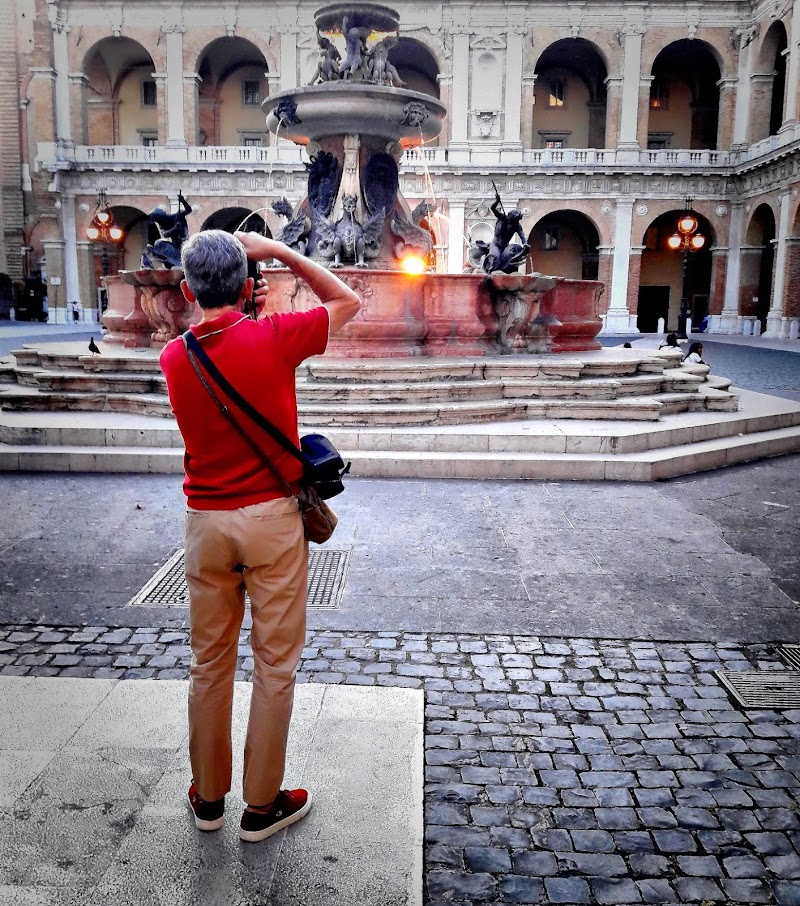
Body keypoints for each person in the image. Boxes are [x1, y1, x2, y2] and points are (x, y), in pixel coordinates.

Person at [159, 230, 361, 843]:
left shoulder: (174, 357)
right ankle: (262, 804)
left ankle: (209, 797)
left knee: (209, 664)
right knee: (275, 664)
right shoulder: (274, 337)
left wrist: (248, 297)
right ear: (247, 284)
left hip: (206, 524)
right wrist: (279, 254)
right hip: (272, 521)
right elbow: (347, 301)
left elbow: (221, 349)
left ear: (190, 289)